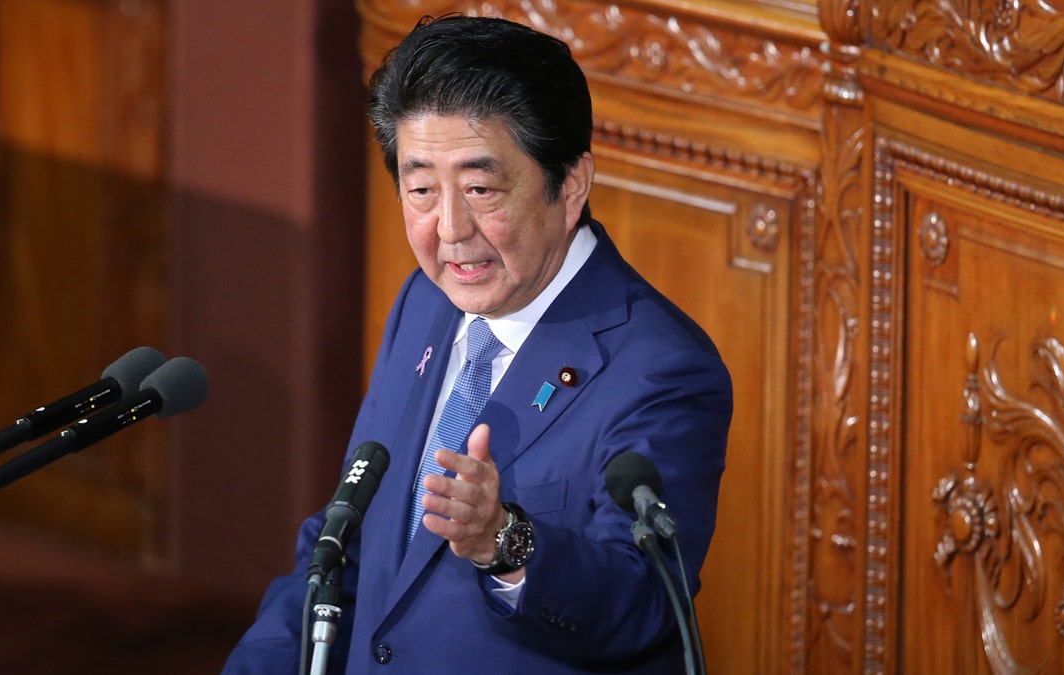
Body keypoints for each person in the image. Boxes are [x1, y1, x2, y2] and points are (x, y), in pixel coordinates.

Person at [222, 14, 731, 675]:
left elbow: (639, 606)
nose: (451, 229)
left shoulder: (661, 367)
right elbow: (347, 538)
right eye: (422, 189)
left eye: (481, 188)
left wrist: (506, 541)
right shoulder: (426, 301)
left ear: (569, 184)